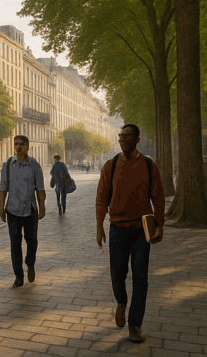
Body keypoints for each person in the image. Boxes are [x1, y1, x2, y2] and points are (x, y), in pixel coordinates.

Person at [95, 124, 164, 344]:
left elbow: (159, 197)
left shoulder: (148, 164)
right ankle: (121, 302)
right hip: (117, 229)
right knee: (117, 273)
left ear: (137, 139)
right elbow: (101, 198)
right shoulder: (111, 165)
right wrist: (99, 226)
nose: (122, 140)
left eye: (127, 137)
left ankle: (135, 325)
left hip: (142, 230)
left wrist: (160, 224)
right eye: (120, 137)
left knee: (140, 277)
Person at [0, 135, 46, 287]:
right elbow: (3, 188)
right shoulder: (7, 165)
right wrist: (1, 207)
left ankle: (30, 264)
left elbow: (40, 189)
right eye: (16, 144)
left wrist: (42, 206)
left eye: (22, 144)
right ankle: (18, 276)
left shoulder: (34, 165)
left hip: (30, 210)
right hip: (12, 210)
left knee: (32, 242)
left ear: (27, 146)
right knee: (15, 244)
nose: (18, 147)